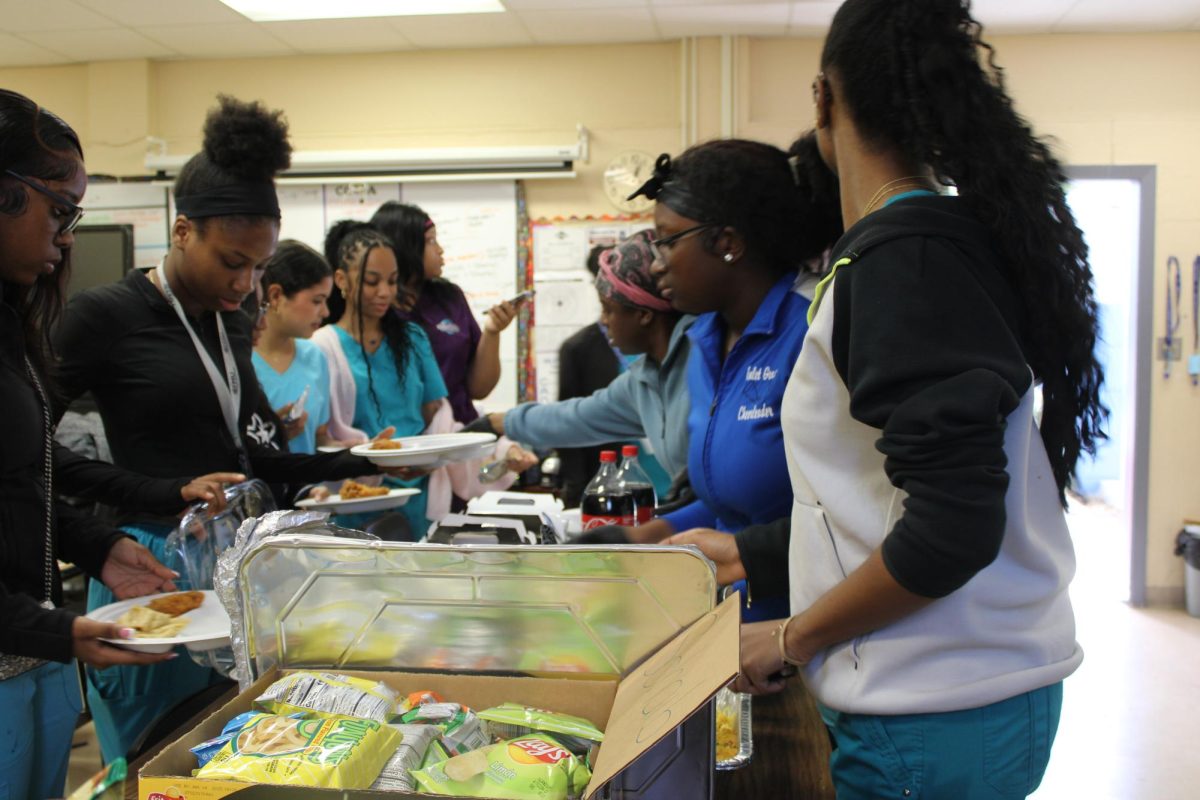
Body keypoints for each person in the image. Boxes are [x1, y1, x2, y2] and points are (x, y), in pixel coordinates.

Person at [670, 2, 1106, 796]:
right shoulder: (911, 247)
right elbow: (876, 492)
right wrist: (748, 551)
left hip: (934, 706)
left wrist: (790, 638)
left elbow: (950, 528)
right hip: (955, 692)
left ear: (824, 100)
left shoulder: (905, 261)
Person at [53, 95, 386, 763]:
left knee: (228, 752)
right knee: (153, 760)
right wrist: (157, 491)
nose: (245, 282)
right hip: (145, 571)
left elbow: (258, 456)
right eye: (232, 261)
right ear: (183, 232)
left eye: (258, 267)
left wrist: (371, 465)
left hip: (230, 569)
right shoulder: (107, 317)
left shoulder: (227, 321)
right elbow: (25, 452)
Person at [0, 89, 181, 800]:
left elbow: (20, 480)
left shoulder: (12, 322)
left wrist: (96, 543)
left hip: (30, 658)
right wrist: (51, 631)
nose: (68, 235)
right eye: (61, 210)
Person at [600, 136, 842, 624]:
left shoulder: (814, 330)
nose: (655, 262)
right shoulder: (705, 339)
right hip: (735, 628)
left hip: (813, 633)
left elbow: (860, 523)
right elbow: (732, 511)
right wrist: (644, 535)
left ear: (727, 243)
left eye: (667, 241)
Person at [474, 231, 692, 504]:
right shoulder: (645, 378)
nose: (603, 321)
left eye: (608, 309)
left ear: (644, 314)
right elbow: (577, 417)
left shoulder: (701, 366)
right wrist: (499, 422)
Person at [369, 201, 520, 424]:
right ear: (405, 247)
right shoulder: (379, 307)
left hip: (460, 432)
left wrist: (492, 332)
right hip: (404, 436)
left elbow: (478, 388)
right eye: (430, 241)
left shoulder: (449, 297)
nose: (440, 249)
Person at [251, 240, 335, 454]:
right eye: (317, 301)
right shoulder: (239, 360)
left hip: (311, 487)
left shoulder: (315, 357)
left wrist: (367, 452)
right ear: (276, 296)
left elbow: (320, 441)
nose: (325, 312)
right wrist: (271, 436)